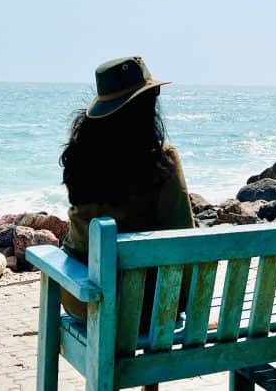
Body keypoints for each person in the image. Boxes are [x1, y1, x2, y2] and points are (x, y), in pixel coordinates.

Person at [59, 56, 195, 335]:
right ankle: (151, 376)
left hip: (81, 299)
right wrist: (186, 302)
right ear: (145, 105)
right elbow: (182, 236)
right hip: (143, 307)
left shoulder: (79, 155)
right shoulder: (161, 159)